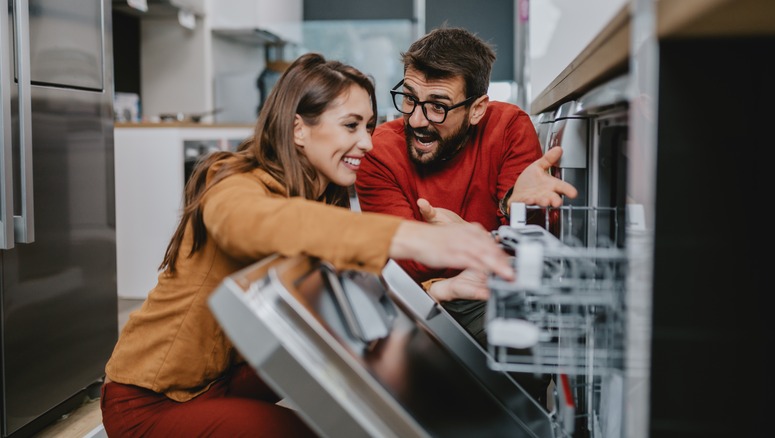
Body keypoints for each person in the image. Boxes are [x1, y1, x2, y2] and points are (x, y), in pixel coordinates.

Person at [100, 52, 514, 438]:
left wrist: (439, 290)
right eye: (351, 126)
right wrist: (413, 237)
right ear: (299, 128)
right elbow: (251, 225)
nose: (368, 143)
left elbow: (349, 301)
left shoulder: (315, 197)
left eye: (369, 127)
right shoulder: (231, 182)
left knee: (340, 372)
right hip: (149, 402)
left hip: (220, 381)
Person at [354, 26, 578, 405]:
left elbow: (526, 258)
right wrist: (485, 238)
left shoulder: (508, 127)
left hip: (497, 294)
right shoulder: (378, 153)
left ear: (477, 109)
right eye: (409, 99)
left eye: (438, 105)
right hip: (420, 304)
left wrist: (512, 209)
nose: (417, 121)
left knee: (518, 324)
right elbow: (405, 267)